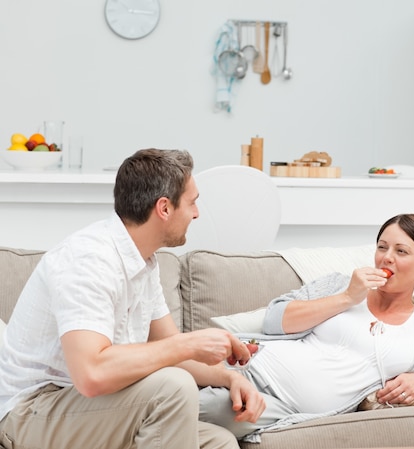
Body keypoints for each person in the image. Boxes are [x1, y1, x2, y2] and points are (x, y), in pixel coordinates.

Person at [0, 149, 265, 449]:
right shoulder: (88, 260)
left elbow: (174, 352)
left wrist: (230, 379)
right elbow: (92, 374)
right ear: (164, 208)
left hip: (92, 407)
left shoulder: (144, 263)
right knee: (173, 388)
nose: (197, 213)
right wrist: (190, 343)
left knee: (220, 442)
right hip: (33, 412)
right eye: (192, 202)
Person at [198, 213, 414, 442]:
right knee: (174, 374)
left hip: (282, 408)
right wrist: (347, 298)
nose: (386, 258)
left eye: (401, 251)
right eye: (382, 247)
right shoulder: (340, 285)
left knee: (205, 407)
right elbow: (274, 319)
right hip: (250, 367)